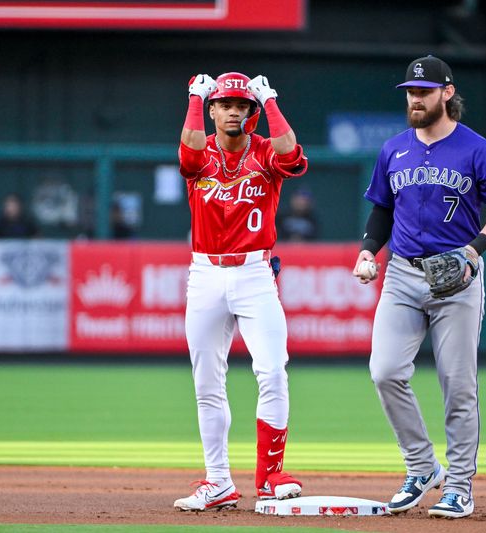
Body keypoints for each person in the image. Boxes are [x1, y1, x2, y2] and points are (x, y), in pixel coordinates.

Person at [352, 55, 486, 519]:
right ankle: (423, 466)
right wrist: (369, 249)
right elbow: (382, 209)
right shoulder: (394, 149)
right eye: (410, 92)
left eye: (423, 92)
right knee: (384, 370)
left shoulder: (477, 149)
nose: (415, 99)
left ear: (447, 93)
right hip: (402, 274)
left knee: (457, 384)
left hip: (457, 276)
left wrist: (474, 249)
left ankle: (460, 486)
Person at [173, 71, 308, 511]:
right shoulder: (201, 152)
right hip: (206, 274)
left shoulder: (266, 152)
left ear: (251, 113)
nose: (234, 111)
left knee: (272, 371)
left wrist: (270, 102)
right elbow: (189, 156)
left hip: (254, 272)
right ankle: (218, 482)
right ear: (212, 110)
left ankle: (270, 476)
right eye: (225, 104)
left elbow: (292, 156)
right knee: (206, 382)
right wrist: (196, 96)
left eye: (241, 105)